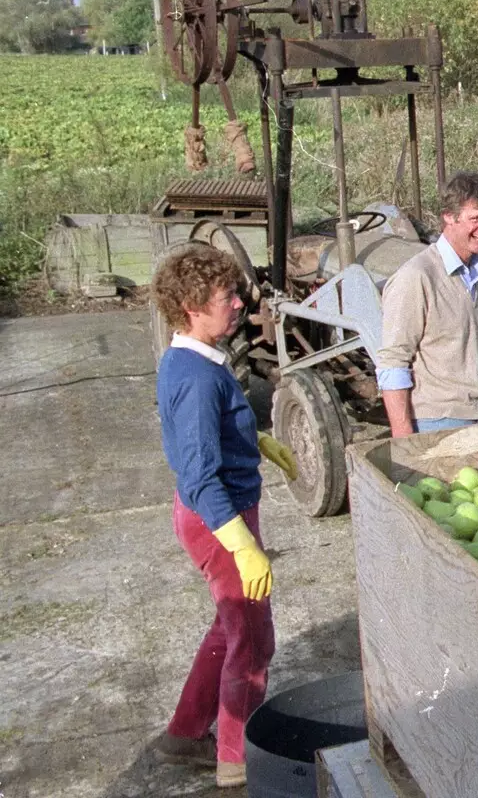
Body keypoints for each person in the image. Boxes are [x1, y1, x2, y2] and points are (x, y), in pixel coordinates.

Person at [151, 245, 293, 788]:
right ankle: (236, 763)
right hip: (218, 518)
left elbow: (204, 440)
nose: (238, 305)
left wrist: (252, 440)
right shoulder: (198, 377)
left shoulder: (192, 359)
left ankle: (185, 734)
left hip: (216, 514)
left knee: (228, 628)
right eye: (226, 297)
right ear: (191, 306)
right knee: (254, 642)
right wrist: (242, 544)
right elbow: (198, 475)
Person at [377, 172, 478, 435]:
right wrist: (404, 440)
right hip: (436, 422)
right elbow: (393, 362)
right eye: (475, 219)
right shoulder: (416, 277)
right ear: (449, 217)